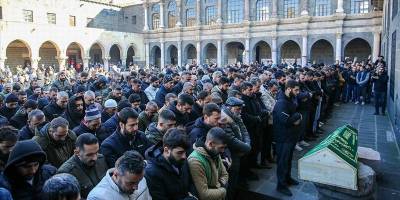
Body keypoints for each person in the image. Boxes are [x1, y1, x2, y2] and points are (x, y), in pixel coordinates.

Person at [145, 128, 197, 200]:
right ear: (166, 150)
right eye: (180, 152)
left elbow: (191, 183)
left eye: (185, 152)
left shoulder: (181, 160)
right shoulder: (152, 172)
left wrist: (194, 196)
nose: (184, 156)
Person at [273, 80, 302, 196]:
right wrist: (298, 116)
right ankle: (281, 185)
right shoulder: (281, 102)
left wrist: (295, 118)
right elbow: (287, 120)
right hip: (283, 137)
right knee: (282, 161)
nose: (297, 92)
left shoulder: (290, 99)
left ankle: (288, 178)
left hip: (290, 136)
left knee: (288, 159)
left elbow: (292, 117)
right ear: (288, 89)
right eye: (296, 90)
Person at [57, 133, 108, 198]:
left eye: (96, 152)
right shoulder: (66, 173)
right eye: (89, 155)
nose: (95, 158)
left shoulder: (101, 159)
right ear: (77, 153)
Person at [87, 150, 151, 200]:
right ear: (116, 174)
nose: (136, 187)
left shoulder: (138, 178)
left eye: (139, 181)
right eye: (131, 183)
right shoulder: (98, 197)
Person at [188, 127, 229, 200]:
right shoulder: (195, 161)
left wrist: (216, 186)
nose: (223, 151)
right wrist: (223, 190)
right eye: (221, 147)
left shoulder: (214, 151)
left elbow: (225, 174)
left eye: (224, 148)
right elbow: (204, 194)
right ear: (210, 144)